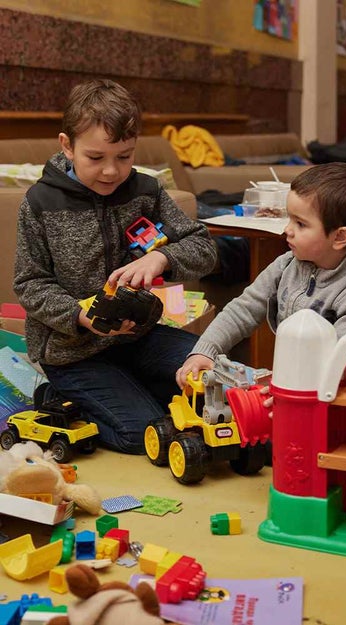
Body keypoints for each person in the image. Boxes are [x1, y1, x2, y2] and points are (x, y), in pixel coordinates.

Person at [13, 79, 218, 453]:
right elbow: (29, 283)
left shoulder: (145, 191)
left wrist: (163, 257)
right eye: (95, 158)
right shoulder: (40, 203)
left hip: (137, 338)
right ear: (66, 145)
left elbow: (203, 248)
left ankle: (132, 389)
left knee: (212, 381)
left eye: (124, 157)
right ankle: (55, 398)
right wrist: (78, 315)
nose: (111, 171)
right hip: (72, 353)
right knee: (147, 435)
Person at [176, 163, 346, 386]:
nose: (287, 229)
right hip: (296, 379)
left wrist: (285, 388)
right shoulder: (286, 265)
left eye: (301, 224)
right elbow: (243, 309)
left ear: (340, 237)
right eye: (290, 218)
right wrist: (206, 350)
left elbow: (338, 365)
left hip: (343, 390)